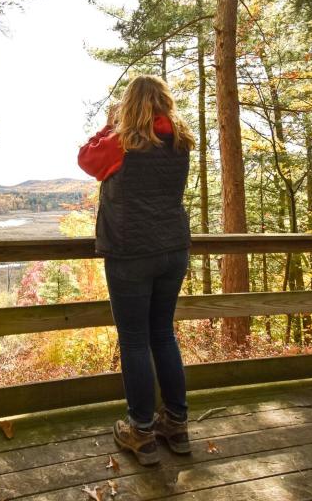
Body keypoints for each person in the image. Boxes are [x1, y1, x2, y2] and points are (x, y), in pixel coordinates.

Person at [77, 74, 196, 465]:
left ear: (129, 105)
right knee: (162, 334)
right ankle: (176, 425)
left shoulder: (121, 142)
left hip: (130, 253)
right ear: (165, 102)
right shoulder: (180, 142)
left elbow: (85, 158)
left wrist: (112, 125)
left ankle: (141, 432)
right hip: (172, 249)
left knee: (133, 340)